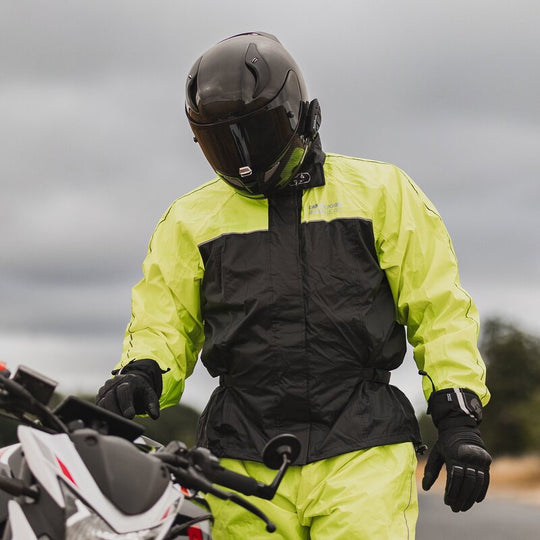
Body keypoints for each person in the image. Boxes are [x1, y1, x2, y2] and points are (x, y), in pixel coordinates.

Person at [96, 32, 492, 539]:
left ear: (301, 116)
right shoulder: (190, 220)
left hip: (362, 445)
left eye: (255, 134)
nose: (243, 158)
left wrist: (458, 416)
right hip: (238, 454)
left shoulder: (382, 194)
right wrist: (142, 372)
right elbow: (164, 321)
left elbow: (437, 310)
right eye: (223, 142)